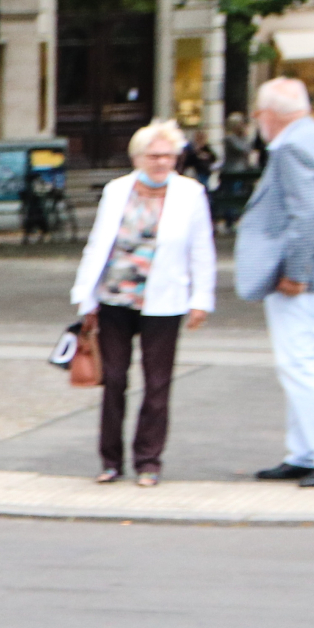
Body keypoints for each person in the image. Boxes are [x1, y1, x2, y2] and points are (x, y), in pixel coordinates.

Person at [68, 121, 214, 486]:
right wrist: (85, 295)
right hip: (115, 297)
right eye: (154, 156)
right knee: (114, 378)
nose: (162, 162)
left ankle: (148, 461)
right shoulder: (118, 190)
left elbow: (202, 249)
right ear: (138, 157)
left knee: (157, 382)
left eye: (168, 155)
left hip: (165, 299)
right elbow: (99, 242)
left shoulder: (190, 193)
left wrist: (202, 298)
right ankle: (110, 460)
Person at [236, 77, 314, 485]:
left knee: (297, 361)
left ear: (269, 115)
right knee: (305, 360)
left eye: (259, 113)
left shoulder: (291, 146)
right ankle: (305, 451)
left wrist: (295, 273)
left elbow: (308, 214)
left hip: (309, 274)